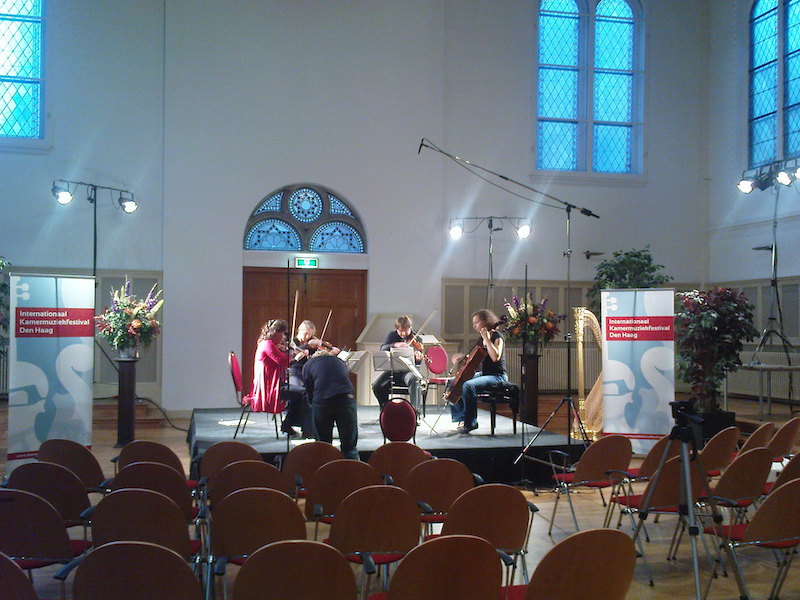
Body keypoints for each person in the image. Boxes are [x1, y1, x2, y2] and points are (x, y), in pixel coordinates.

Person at [450, 308, 507, 434]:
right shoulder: (482, 338)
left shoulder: (497, 336)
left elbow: (495, 357)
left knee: (468, 385)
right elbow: (475, 357)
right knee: (452, 381)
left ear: (486, 321)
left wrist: (487, 339)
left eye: (476, 322)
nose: (474, 326)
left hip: (497, 376)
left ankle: (471, 423)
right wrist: (462, 357)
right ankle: (461, 419)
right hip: (485, 374)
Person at [283, 320, 340, 438]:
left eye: (310, 334)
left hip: (309, 374)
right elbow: (290, 358)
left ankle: (296, 424)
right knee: (302, 392)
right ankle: (307, 428)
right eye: (305, 334)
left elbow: (332, 350)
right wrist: (307, 346)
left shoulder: (314, 343)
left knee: (317, 391)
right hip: (294, 373)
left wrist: (331, 351)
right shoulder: (292, 343)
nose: (307, 337)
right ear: (299, 331)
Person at [302, 349, 359, 459]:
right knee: (349, 445)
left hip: (322, 399)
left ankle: (325, 466)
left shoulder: (309, 364)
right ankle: (354, 466)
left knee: (323, 444)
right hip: (346, 397)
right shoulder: (339, 361)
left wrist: (313, 404)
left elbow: (308, 388)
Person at [371, 315, 424, 411]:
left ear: (410, 328)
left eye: (405, 331)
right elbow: (383, 348)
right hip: (393, 371)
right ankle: (385, 409)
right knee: (376, 386)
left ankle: (414, 411)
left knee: (415, 379)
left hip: (409, 371)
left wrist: (418, 358)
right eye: (400, 331)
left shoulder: (417, 338)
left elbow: (418, 363)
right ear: (396, 329)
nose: (403, 334)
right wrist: (395, 344)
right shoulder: (393, 335)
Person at [248, 319, 290, 414]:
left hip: (272, 384)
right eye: (283, 333)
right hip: (269, 388)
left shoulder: (267, 343)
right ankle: (290, 420)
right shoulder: (268, 344)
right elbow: (283, 361)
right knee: (302, 393)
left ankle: (290, 419)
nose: (284, 337)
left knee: (299, 391)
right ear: (276, 332)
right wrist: (293, 355)